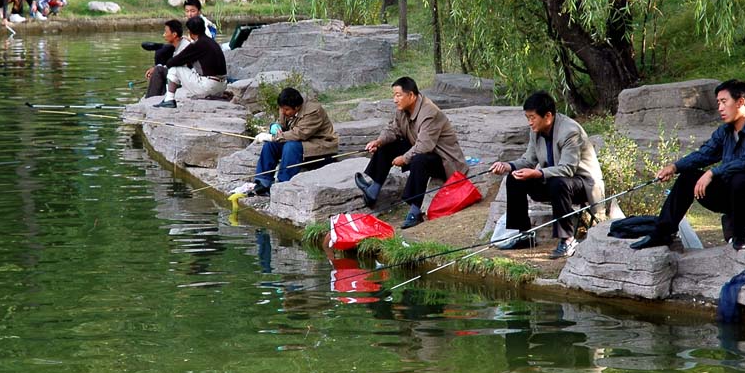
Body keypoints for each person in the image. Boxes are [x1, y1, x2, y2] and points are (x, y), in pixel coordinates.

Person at [631, 79, 745, 251]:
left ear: (740, 102)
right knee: (688, 178)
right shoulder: (724, 132)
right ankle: (662, 233)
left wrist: (712, 173)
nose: (720, 108)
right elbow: (704, 154)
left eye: (724, 102)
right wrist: (675, 167)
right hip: (731, 195)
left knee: (740, 177)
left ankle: (741, 237)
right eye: (718, 103)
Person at [491, 91, 605, 259]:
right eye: (527, 118)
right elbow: (528, 159)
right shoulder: (536, 131)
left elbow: (568, 169)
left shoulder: (570, 131)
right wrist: (507, 166)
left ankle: (567, 239)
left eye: (532, 117)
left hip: (582, 183)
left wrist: (537, 173)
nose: (530, 122)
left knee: (558, 183)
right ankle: (522, 234)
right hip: (552, 180)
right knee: (514, 178)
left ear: (548, 116)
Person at [354, 76, 467, 229]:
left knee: (419, 160)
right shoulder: (403, 110)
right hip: (423, 149)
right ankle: (373, 190)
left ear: (411, 95)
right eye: (394, 95)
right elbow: (393, 130)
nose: (395, 99)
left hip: (445, 161)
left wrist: (404, 158)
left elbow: (424, 146)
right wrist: (378, 141)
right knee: (388, 145)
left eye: (398, 95)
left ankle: (415, 211)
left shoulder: (430, 113)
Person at [250, 88, 339, 196]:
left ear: (297, 107)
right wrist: (275, 127)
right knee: (270, 145)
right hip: (300, 143)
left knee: (290, 146)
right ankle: (262, 182)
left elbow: (299, 134)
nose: (283, 112)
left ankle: (283, 183)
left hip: (320, 144)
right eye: (282, 109)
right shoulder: (286, 107)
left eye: (286, 110)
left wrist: (273, 137)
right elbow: (282, 125)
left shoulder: (313, 111)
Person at [153, 16, 227, 107]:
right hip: (222, 85)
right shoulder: (212, 42)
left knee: (174, 68)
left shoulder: (197, 44)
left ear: (190, 32)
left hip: (209, 86)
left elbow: (173, 62)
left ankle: (169, 99)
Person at [142, 19, 186, 98]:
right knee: (158, 69)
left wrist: (157, 68)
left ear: (174, 34)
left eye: (166, 32)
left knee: (159, 70)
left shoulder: (184, 48)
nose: (164, 35)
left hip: (185, 78)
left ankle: (150, 98)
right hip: (179, 75)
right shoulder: (176, 47)